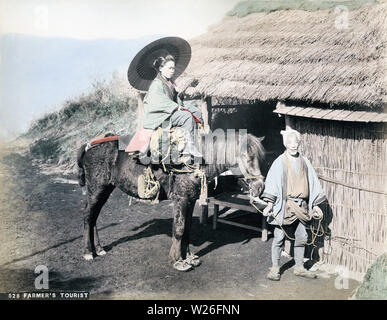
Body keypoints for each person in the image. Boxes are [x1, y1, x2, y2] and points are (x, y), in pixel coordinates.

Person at [260, 128, 326, 281]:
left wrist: (315, 205)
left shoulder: (305, 162)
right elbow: (273, 184)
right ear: (286, 144)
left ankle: (299, 267)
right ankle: (275, 268)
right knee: (279, 237)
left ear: (299, 143)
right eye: (290, 142)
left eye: (295, 142)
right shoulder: (279, 162)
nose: (293, 145)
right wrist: (270, 205)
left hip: (302, 206)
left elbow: (313, 183)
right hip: (285, 206)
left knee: (302, 236)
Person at [142, 54, 202, 158]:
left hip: (170, 110)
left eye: (173, 68)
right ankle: (188, 147)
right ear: (161, 68)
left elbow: (175, 100)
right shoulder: (156, 83)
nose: (172, 71)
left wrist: (178, 95)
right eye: (170, 68)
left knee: (196, 111)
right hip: (162, 115)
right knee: (186, 117)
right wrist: (176, 107)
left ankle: (198, 141)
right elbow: (159, 101)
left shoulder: (169, 83)